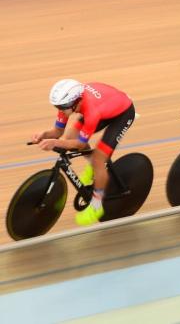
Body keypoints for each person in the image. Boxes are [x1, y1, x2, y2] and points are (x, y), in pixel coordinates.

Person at [30, 79, 136, 226]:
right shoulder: (68, 104)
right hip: (105, 106)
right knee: (69, 136)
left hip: (123, 113)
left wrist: (55, 142)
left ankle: (97, 205)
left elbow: (80, 144)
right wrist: (44, 135)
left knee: (99, 159)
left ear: (75, 102)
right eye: (57, 106)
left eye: (62, 106)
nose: (59, 109)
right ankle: (92, 166)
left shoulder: (91, 111)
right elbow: (57, 131)